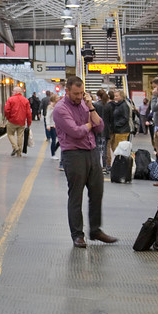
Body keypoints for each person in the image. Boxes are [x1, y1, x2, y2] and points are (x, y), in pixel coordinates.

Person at [53, 76, 117, 248]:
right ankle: (77, 235)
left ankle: (95, 230)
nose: (79, 97)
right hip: (73, 155)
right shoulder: (60, 109)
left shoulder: (84, 104)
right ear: (67, 91)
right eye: (75, 93)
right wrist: (89, 126)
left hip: (91, 152)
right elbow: (76, 132)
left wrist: (90, 107)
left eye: (82, 93)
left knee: (97, 192)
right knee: (76, 196)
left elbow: (100, 126)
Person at [4, 86, 31, 157]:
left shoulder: (10, 99)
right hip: (22, 122)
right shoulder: (25, 100)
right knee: (20, 136)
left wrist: (8, 118)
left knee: (10, 134)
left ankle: (15, 147)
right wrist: (29, 123)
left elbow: (6, 110)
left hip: (12, 121)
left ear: (15, 92)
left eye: (13, 91)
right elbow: (29, 113)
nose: (12, 92)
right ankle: (19, 153)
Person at [109, 89, 132, 155]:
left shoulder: (124, 105)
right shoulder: (118, 105)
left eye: (117, 96)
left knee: (121, 149)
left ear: (121, 96)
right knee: (116, 147)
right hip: (118, 130)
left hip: (122, 130)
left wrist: (116, 124)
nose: (115, 97)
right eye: (114, 96)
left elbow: (125, 118)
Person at [93, 89, 110, 174]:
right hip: (106, 130)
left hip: (97, 129)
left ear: (98, 96)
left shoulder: (95, 105)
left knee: (97, 148)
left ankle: (97, 166)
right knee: (105, 149)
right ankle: (104, 166)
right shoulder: (108, 106)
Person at [45, 92, 60, 159]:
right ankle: (53, 154)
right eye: (57, 98)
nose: (58, 98)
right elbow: (48, 116)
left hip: (56, 125)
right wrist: (48, 125)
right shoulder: (50, 107)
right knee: (53, 140)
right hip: (52, 125)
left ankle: (54, 150)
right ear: (54, 99)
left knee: (59, 140)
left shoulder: (57, 106)